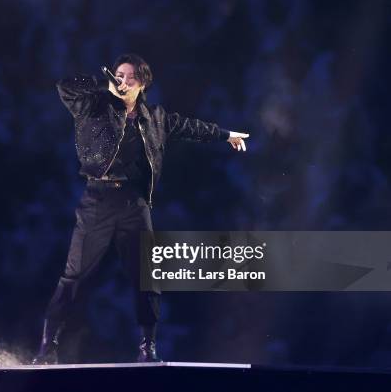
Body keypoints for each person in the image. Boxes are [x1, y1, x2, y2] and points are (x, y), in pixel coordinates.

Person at [32, 53, 249, 364]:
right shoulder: (95, 104)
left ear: (143, 83)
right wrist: (103, 85)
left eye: (129, 76)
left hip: (134, 204)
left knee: (146, 276)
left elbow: (190, 126)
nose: (123, 80)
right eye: (119, 74)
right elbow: (64, 87)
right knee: (73, 276)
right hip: (98, 199)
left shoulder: (155, 117)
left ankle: (147, 348)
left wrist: (226, 135)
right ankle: (47, 347)